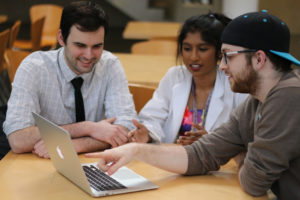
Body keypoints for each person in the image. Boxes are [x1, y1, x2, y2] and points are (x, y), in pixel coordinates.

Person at [86, 11, 300, 200]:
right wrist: (135, 150)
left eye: (228, 56)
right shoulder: (256, 100)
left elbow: (254, 183)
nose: (223, 66)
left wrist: (244, 157)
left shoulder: (288, 95)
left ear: (259, 59)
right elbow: (200, 155)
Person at [3, 1, 137, 158]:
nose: (89, 55)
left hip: (94, 163)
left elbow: (127, 129)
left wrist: (76, 145)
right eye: (80, 45)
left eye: (97, 46)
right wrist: (87, 128)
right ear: (61, 38)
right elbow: (18, 140)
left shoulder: (109, 64)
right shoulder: (34, 67)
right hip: (41, 162)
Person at [129, 13, 247, 144]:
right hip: (171, 160)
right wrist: (147, 133)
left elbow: (245, 134)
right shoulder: (174, 76)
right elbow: (152, 118)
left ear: (219, 51)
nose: (193, 57)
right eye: (187, 49)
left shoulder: (235, 84)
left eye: (202, 49)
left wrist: (212, 141)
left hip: (216, 162)